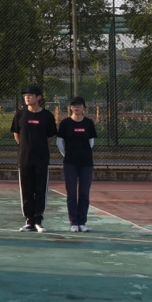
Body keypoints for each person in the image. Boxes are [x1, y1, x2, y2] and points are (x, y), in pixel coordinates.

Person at [11, 84, 57, 232]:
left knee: (40, 189)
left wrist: (39, 147)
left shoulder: (47, 116)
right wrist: (26, 147)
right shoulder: (20, 114)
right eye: (25, 95)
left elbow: (50, 137)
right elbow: (17, 134)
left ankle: (38, 220)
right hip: (24, 159)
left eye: (30, 95)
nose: (27, 97)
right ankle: (29, 221)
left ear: (39, 98)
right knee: (26, 190)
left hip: (41, 159)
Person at [57, 96, 97, 233]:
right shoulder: (65, 123)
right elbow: (59, 142)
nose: (76, 107)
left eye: (79, 105)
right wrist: (67, 155)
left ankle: (82, 222)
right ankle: (74, 222)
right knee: (71, 193)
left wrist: (84, 153)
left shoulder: (88, 123)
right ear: (70, 107)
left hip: (86, 163)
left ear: (84, 107)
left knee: (84, 193)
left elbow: (91, 141)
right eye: (74, 105)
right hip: (70, 163)